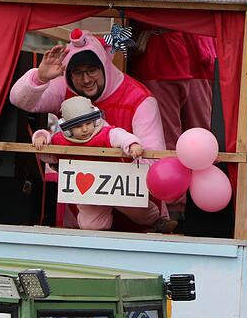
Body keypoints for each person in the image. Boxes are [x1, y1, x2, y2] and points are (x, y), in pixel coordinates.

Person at [107, 0, 220, 214]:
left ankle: (176, 209)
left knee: (170, 134)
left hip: (166, 54)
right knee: (198, 131)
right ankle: (194, 208)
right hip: (192, 52)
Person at [9, 28, 176, 232]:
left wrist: (107, 175)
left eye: (92, 70)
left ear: (105, 66)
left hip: (139, 221)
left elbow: (152, 161)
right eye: (78, 73)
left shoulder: (140, 99)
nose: (86, 79)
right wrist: (40, 78)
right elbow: (20, 100)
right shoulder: (65, 88)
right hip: (83, 219)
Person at [33, 96, 157, 230]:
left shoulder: (105, 133)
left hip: (117, 182)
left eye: (88, 123)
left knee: (136, 206)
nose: (85, 129)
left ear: (96, 121)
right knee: (90, 224)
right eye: (78, 126)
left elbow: (120, 136)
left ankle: (157, 221)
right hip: (86, 190)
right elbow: (49, 156)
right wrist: (41, 139)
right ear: (67, 129)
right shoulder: (61, 140)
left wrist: (132, 144)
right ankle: (98, 239)